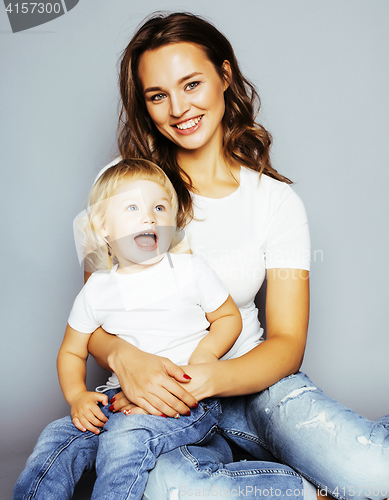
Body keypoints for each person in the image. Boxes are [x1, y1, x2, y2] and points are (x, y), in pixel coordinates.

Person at [14, 11, 389, 500]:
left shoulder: (275, 201)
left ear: (224, 76)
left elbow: (287, 341)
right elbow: (96, 315)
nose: (178, 108)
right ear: (144, 105)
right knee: (177, 491)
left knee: (375, 475)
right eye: (157, 95)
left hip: (254, 385)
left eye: (191, 84)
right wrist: (127, 359)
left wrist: (207, 377)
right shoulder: (122, 188)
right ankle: (305, 488)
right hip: (157, 398)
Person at [14, 158, 245, 500]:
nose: (149, 217)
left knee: (126, 437)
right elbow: (72, 350)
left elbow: (229, 318)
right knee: (57, 438)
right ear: (103, 227)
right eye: (133, 207)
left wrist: (205, 356)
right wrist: (77, 396)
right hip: (117, 397)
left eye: (159, 207)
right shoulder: (97, 288)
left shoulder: (190, 269)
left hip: (186, 396)